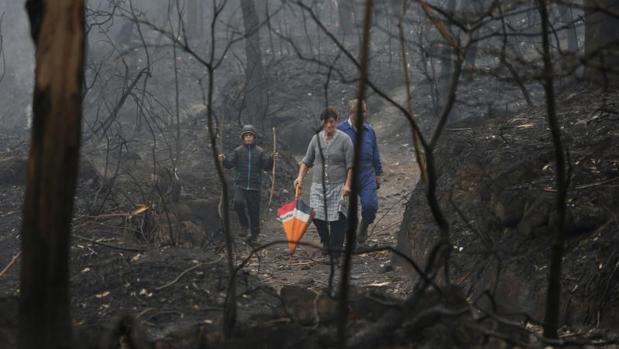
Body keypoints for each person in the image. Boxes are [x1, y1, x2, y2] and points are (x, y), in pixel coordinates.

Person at [294, 108, 353, 258]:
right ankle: (326, 242)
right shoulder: (316, 139)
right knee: (316, 216)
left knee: (337, 219)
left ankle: (335, 251)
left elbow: (351, 165)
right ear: (322, 123)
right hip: (318, 186)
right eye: (325, 122)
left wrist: (347, 184)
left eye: (331, 122)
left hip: (338, 185)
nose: (329, 125)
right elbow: (306, 161)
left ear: (336, 121)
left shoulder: (345, 139)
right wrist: (300, 177)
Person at [218, 125, 277, 244]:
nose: (248, 138)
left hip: (255, 186)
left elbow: (266, 167)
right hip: (241, 184)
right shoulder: (238, 151)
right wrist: (223, 159)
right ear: (243, 138)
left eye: (250, 136)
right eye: (246, 136)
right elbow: (229, 164)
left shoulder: (260, 152)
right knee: (238, 203)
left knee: (254, 211)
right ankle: (244, 225)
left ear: (254, 137)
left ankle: (254, 236)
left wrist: (271, 159)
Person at [337, 99, 383, 247]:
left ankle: (363, 229)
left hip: (366, 173)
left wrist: (378, 174)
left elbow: (375, 153)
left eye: (365, 111)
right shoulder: (340, 130)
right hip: (346, 176)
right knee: (349, 212)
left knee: (370, 206)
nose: (364, 114)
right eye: (360, 112)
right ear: (351, 113)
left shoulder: (369, 130)